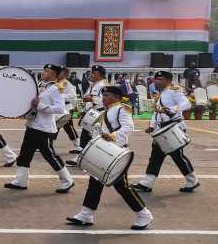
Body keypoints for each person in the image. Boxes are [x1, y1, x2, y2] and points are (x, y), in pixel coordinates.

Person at [66, 85, 153, 230]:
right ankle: (86, 214)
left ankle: (144, 215)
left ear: (117, 97)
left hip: (117, 153)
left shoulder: (122, 109)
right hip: (105, 153)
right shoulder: (104, 112)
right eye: (103, 95)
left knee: (122, 187)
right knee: (95, 183)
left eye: (107, 95)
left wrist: (113, 136)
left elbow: (128, 127)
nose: (104, 98)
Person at [5, 63, 73, 193]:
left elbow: (60, 109)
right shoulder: (41, 85)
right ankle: (20, 181)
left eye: (46, 71)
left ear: (53, 74)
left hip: (44, 129)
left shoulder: (56, 88)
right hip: (32, 125)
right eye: (44, 70)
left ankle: (67, 180)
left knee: (50, 155)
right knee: (25, 154)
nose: (43, 72)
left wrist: (39, 105)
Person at [132, 71, 198, 193]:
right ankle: (147, 183)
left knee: (177, 156)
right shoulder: (160, 94)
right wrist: (152, 125)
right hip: (161, 129)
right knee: (156, 156)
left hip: (172, 128)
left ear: (168, 80)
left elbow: (187, 104)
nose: (156, 82)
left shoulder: (174, 91)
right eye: (155, 79)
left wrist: (171, 109)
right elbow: (156, 112)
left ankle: (192, 180)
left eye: (160, 79)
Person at [66, 65, 108, 167]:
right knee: (86, 137)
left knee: (92, 138)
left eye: (94, 73)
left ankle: (81, 159)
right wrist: (83, 110)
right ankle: (82, 158)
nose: (91, 75)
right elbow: (87, 98)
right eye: (91, 73)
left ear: (100, 75)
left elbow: (106, 100)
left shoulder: (104, 85)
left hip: (98, 114)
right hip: (90, 114)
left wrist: (92, 99)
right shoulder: (93, 85)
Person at [54, 67, 81, 154]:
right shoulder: (56, 82)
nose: (58, 73)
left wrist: (61, 97)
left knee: (69, 127)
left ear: (65, 74)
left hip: (66, 108)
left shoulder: (66, 83)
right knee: (54, 126)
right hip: (57, 108)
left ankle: (78, 146)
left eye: (60, 72)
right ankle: (48, 144)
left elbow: (72, 95)